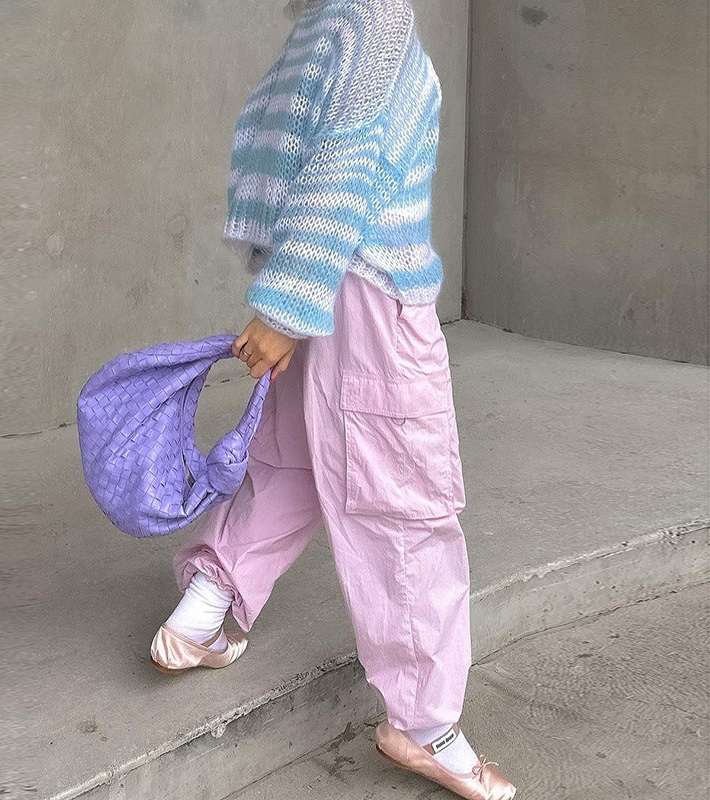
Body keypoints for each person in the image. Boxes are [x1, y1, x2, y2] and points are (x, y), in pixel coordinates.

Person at [149, 1, 517, 797]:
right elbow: (344, 161)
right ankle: (422, 723)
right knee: (402, 498)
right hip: (365, 285)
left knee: (292, 458)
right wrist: (285, 308)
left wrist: (289, 300)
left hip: (318, 283)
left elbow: (290, 155)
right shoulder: (377, 15)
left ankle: (206, 607)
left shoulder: (325, 22)